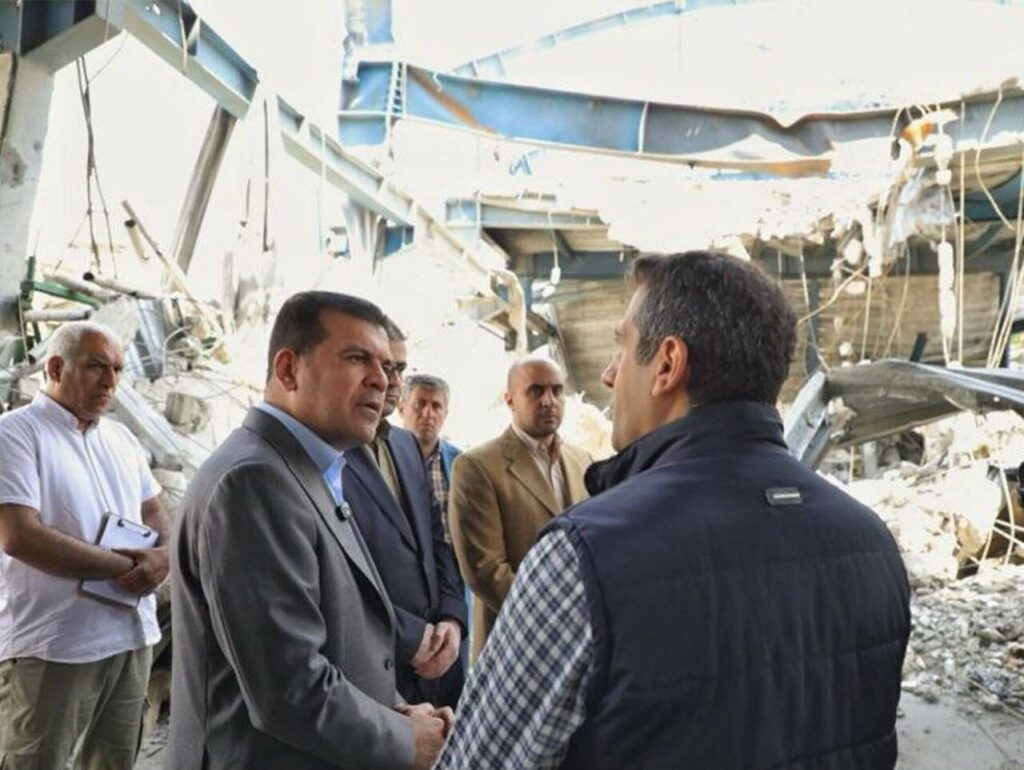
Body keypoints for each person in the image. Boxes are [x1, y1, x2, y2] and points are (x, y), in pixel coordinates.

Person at [436, 251, 911, 770]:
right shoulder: (873, 541)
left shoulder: (582, 558)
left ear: (667, 364)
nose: (609, 374)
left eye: (621, 347)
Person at [168, 292, 449, 770]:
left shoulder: (307, 469)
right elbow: (289, 688)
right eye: (357, 358)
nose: (381, 380)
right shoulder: (254, 482)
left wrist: (399, 711)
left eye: (385, 366)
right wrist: (405, 739)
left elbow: (346, 640)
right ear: (288, 370)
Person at [0, 321, 170, 770]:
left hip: (131, 638)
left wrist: (163, 557)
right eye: (96, 366)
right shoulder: (15, 434)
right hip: (56, 645)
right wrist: (124, 566)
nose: (110, 381)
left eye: (117, 369)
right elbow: (20, 536)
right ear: (56, 368)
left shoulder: (121, 438)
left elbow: (155, 512)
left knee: (112, 762)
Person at [343, 325, 466, 708]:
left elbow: (437, 542)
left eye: (398, 368)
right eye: (383, 367)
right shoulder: (330, 452)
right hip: (376, 661)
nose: (391, 381)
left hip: (439, 655)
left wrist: (452, 618)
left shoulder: (405, 444)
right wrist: (412, 637)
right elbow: (342, 573)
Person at [448, 357, 591, 661]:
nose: (549, 401)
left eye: (556, 390)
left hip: (582, 644)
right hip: (514, 643)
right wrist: (560, 617)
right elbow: (485, 570)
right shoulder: (476, 466)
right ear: (510, 399)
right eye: (536, 391)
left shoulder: (582, 461)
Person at [398, 374, 461, 542]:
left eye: (436, 406)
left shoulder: (460, 464)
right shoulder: (385, 458)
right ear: (401, 408)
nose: (428, 414)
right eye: (420, 404)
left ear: (445, 413)